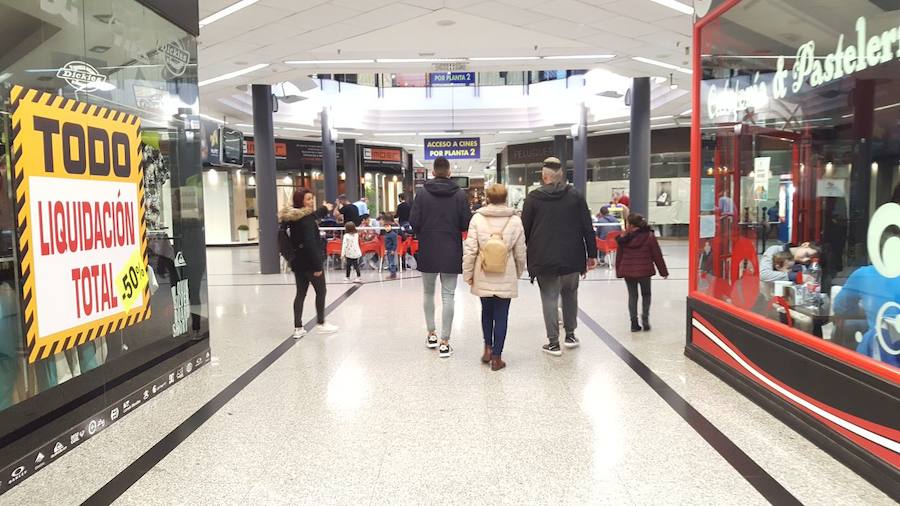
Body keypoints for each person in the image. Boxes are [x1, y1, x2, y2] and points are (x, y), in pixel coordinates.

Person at [522, 157, 597, 356]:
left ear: (544, 177)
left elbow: (524, 230)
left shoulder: (533, 198)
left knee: (549, 298)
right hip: (572, 257)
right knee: (570, 295)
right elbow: (587, 227)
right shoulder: (575, 196)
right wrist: (592, 254)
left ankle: (553, 343)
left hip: (544, 258)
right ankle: (570, 335)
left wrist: (523, 254)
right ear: (561, 176)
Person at [409, 156, 472, 358]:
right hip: (451, 249)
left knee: (428, 293)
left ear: (433, 172)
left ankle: (431, 334)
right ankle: (445, 342)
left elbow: (413, 221)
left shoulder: (422, 193)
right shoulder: (460, 195)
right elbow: (465, 223)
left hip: (428, 247)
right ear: (449, 172)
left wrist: (424, 230)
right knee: (448, 296)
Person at [463, 184, 526, 371]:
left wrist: (468, 274)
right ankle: (497, 358)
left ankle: (487, 349)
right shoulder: (515, 221)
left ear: (488, 198)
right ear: (505, 198)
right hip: (505, 272)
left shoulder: (477, 219)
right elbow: (521, 252)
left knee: (486, 312)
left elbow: (470, 249)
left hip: (483, 272)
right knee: (501, 316)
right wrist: (518, 272)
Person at [279, 188, 338, 339]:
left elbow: (314, 214)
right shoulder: (307, 220)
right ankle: (321, 323)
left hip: (297, 262)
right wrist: (317, 266)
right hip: (310, 263)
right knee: (321, 291)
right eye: (308, 199)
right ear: (301, 201)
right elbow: (311, 244)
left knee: (300, 294)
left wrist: (325, 208)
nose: (311, 202)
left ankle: (298, 328)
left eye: (312, 199)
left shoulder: (292, 218)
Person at [615, 213, 669, 331]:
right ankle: (645, 319)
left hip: (628, 271)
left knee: (632, 296)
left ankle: (634, 323)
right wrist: (663, 271)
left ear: (632, 225)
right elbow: (657, 255)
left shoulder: (624, 238)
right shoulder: (649, 236)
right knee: (646, 294)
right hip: (644, 271)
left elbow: (619, 256)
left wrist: (619, 271)